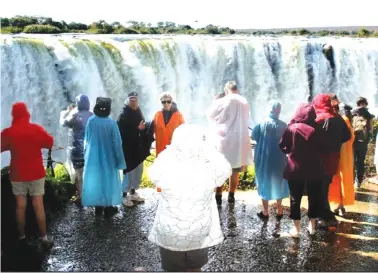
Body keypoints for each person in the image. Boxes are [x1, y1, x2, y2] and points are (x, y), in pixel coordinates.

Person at [148, 124, 231, 272]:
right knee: (195, 268)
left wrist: (171, 150)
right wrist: (207, 149)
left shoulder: (167, 166)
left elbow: (153, 174)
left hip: (170, 232)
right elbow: (225, 169)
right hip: (198, 231)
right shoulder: (207, 169)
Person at [1, 102, 54, 248]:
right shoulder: (35, 129)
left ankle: (22, 237)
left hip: (18, 174)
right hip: (36, 173)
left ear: (14, 115)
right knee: (38, 205)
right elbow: (49, 142)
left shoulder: (8, 133)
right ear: (27, 114)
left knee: (20, 206)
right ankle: (44, 238)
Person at [279, 103, 323, 236]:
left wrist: (289, 151)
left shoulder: (292, 128)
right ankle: (312, 226)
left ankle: (296, 229)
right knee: (314, 197)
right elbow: (323, 147)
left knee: (295, 198)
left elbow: (282, 145)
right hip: (315, 169)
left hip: (295, 168)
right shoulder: (318, 128)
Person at [207, 81, 253, 206]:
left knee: (221, 168)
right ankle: (231, 195)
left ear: (227, 90)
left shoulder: (222, 101)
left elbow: (210, 115)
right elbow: (246, 118)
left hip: (224, 141)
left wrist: (219, 121)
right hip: (239, 141)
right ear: (236, 90)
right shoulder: (244, 101)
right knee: (235, 170)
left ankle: (218, 195)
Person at [81, 97, 126, 216]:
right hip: (109, 158)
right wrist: (120, 161)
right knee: (108, 180)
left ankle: (98, 206)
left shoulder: (91, 121)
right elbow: (117, 144)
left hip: (93, 157)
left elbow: (86, 140)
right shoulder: (112, 124)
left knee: (96, 180)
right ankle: (108, 207)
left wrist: (85, 154)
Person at [312, 94, 351, 230]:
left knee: (319, 188)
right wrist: (336, 143)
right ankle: (325, 216)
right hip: (333, 158)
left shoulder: (317, 118)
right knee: (324, 187)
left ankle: (325, 218)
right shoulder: (338, 119)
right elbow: (348, 135)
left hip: (318, 159)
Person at [251, 102, 289, 219]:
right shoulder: (284, 125)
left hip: (264, 160)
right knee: (279, 182)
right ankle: (279, 210)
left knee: (264, 182)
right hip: (279, 160)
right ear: (279, 110)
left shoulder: (260, 124)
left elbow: (253, 138)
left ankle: (265, 211)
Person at [117, 92, 154, 207]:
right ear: (127, 101)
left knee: (137, 170)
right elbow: (121, 132)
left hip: (138, 148)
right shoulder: (123, 115)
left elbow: (142, 127)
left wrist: (145, 128)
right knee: (128, 171)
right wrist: (137, 129)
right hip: (127, 149)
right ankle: (124, 195)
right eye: (131, 100)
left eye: (135, 100)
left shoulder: (139, 112)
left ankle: (133, 192)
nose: (133, 102)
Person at [60, 94, 93, 205]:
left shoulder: (74, 114)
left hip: (76, 150)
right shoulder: (92, 114)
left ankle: (80, 196)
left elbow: (63, 123)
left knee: (78, 174)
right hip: (90, 150)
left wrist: (65, 113)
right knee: (89, 172)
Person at [153, 92, 184, 192]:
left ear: (172, 102)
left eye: (168, 101)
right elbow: (150, 130)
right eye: (163, 102)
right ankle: (162, 192)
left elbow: (184, 131)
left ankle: (174, 191)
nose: (166, 103)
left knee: (173, 171)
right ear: (161, 102)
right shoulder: (157, 115)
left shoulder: (179, 115)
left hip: (173, 149)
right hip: (161, 148)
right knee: (161, 171)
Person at [329, 103, 355, 216]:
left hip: (340, 156)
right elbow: (352, 139)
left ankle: (340, 206)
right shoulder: (349, 122)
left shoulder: (342, 120)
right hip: (347, 158)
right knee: (344, 180)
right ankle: (341, 206)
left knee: (338, 180)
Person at [351, 97, 374, 188]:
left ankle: (350, 180)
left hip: (353, 141)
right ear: (365, 104)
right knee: (360, 161)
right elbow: (371, 130)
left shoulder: (352, 113)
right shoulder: (369, 115)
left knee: (352, 161)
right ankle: (358, 182)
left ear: (358, 103)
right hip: (363, 142)